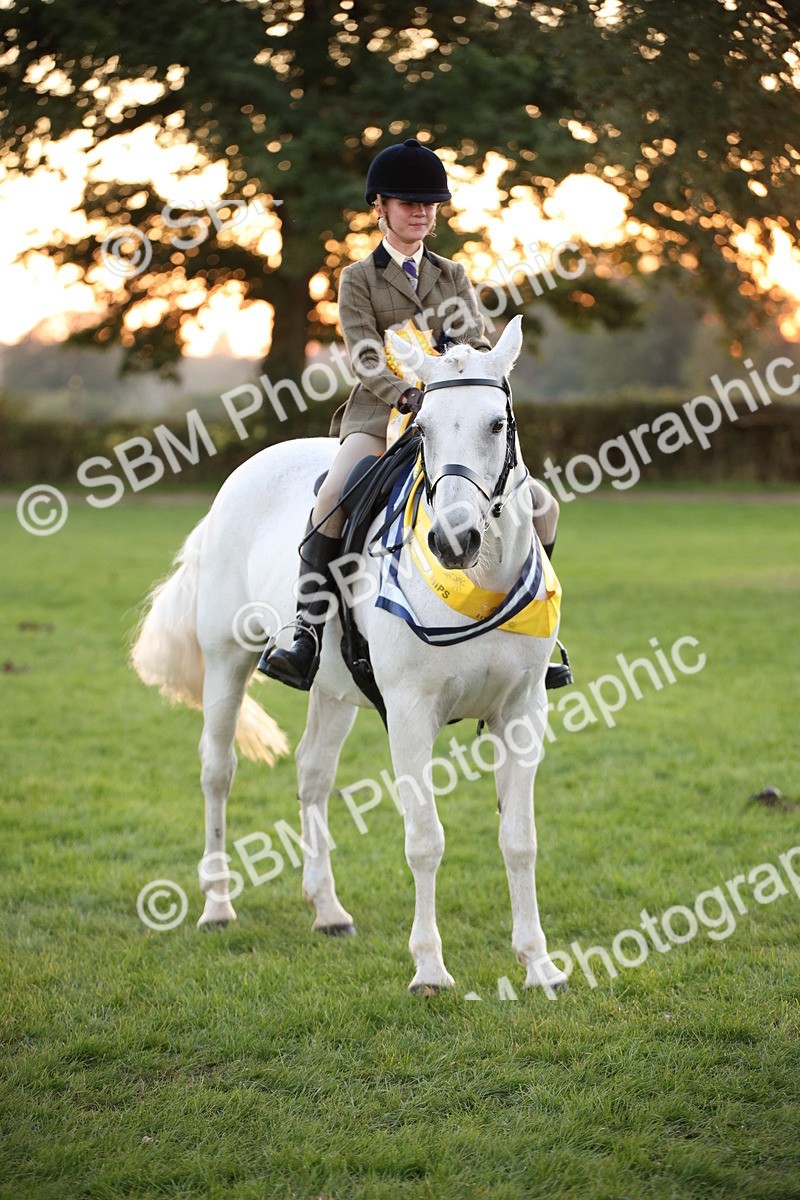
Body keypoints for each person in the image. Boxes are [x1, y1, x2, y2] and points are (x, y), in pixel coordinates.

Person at [259, 137, 568, 690]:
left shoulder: (452, 275)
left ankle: (538, 625)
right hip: (379, 417)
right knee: (332, 499)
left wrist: (460, 384)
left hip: (447, 422)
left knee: (542, 506)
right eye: (408, 202)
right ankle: (305, 631)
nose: (421, 212)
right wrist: (406, 395)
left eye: (429, 203)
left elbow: (472, 343)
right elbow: (363, 353)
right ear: (380, 208)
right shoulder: (358, 279)